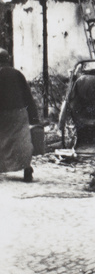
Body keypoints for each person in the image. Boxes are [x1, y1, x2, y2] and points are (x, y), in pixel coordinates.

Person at [0, 48, 40, 182]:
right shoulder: (17, 74)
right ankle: (27, 168)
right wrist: (34, 117)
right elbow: (27, 95)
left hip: (2, 113)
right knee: (22, 141)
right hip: (19, 112)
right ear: (8, 59)